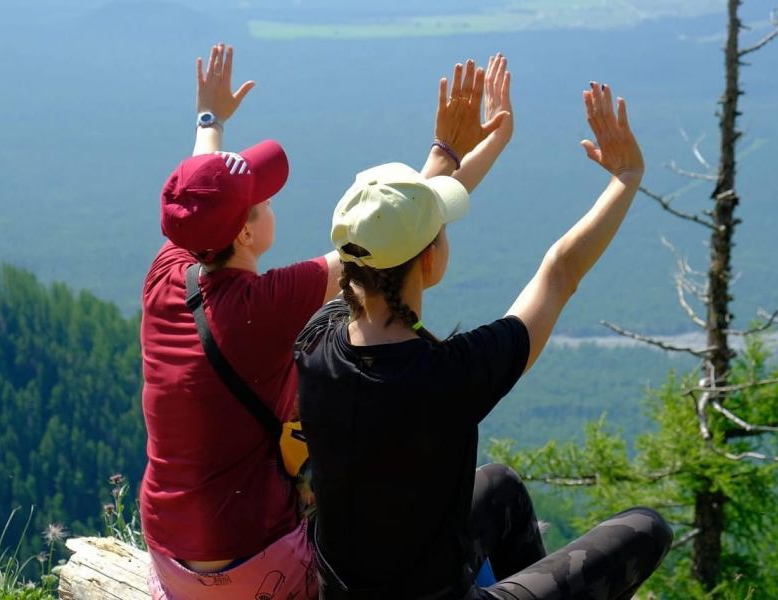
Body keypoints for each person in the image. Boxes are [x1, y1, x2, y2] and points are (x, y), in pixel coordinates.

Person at [138, 43, 509, 600]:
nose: (270, 201)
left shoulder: (169, 269)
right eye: (261, 200)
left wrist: (209, 122)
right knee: (423, 530)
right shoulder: (267, 305)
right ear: (244, 233)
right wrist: (449, 151)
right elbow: (390, 237)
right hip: (252, 569)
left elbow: (194, 199)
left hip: (170, 560)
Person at [295, 74, 673, 599]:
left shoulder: (317, 338)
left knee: (502, 487)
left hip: (342, 591)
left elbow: (390, 232)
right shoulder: (450, 376)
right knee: (646, 528)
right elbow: (559, 272)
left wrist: (449, 152)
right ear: (430, 258)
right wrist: (626, 176)